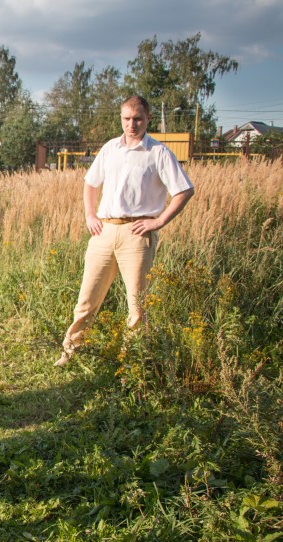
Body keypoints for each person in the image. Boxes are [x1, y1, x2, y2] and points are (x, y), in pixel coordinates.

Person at [54, 95, 194, 367]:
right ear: (121, 118)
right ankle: (71, 352)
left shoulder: (158, 153)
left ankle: (132, 362)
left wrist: (158, 222)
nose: (132, 124)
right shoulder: (110, 148)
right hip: (104, 232)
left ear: (148, 118)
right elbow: (90, 184)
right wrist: (90, 214)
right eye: (127, 119)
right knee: (87, 299)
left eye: (138, 118)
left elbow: (185, 190)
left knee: (138, 305)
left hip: (137, 234)